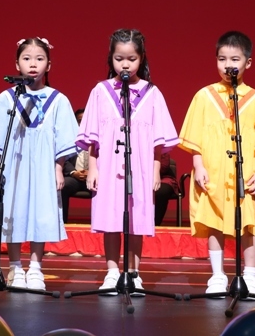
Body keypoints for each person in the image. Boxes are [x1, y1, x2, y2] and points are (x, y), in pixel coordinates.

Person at [178, 31, 255, 296]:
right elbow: (195, 138)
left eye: (235, 59)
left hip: (244, 174)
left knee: (248, 223)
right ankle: (217, 275)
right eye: (222, 59)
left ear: (248, 62)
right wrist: (199, 166)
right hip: (212, 172)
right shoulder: (204, 96)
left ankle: (250, 275)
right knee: (213, 221)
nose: (228, 65)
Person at [78, 28, 179, 296]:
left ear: (141, 58)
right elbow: (93, 137)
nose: (125, 64)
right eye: (119, 58)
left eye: (132, 59)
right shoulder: (100, 91)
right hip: (109, 167)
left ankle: (133, 272)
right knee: (111, 220)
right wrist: (93, 168)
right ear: (110, 58)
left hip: (141, 169)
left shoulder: (152, 93)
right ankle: (112, 272)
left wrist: (155, 171)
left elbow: (158, 141)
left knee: (136, 220)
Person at [0, 37, 78, 291]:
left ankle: (35, 267)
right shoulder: (6, 98)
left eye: (39, 59)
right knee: (13, 212)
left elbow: (65, 138)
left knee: (40, 213)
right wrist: (2, 168)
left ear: (49, 65)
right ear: (17, 64)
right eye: (27, 58)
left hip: (44, 167)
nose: (33, 64)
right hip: (15, 166)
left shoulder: (58, 100)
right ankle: (14, 267)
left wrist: (58, 167)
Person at [61, 108, 90, 224]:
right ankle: (61, 224)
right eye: (79, 121)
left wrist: (93, 173)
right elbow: (63, 158)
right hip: (74, 177)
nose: (82, 124)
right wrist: (74, 173)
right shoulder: (69, 138)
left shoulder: (100, 136)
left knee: (107, 187)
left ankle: (102, 226)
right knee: (62, 185)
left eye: (85, 120)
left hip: (95, 178)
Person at [154, 151, 179, 226]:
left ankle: (156, 224)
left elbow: (164, 166)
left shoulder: (160, 148)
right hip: (141, 179)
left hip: (163, 178)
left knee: (161, 191)